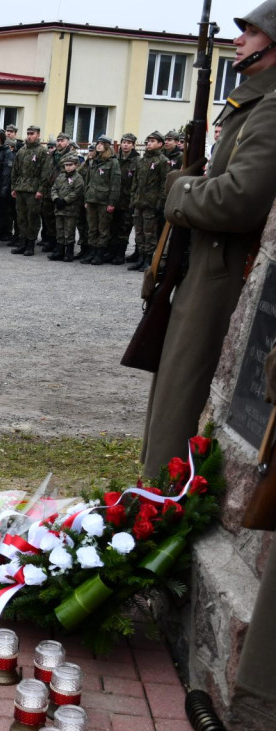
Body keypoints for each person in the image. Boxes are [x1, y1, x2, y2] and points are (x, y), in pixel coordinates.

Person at [141, 1, 276, 475]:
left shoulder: (272, 106)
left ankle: (164, 503)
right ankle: (154, 498)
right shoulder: (252, 101)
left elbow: (238, 199)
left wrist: (180, 189)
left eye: (252, 32)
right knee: (174, 390)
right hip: (205, 267)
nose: (239, 39)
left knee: (184, 395)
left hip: (224, 274)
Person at [128, 131, 168, 272]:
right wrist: (133, 200)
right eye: (148, 141)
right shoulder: (142, 160)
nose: (149, 143)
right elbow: (135, 182)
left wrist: (160, 203)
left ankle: (148, 260)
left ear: (160, 144)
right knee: (139, 233)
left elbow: (164, 184)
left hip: (151, 203)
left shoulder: (162, 161)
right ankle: (141, 258)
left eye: (152, 141)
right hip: (139, 202)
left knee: (149, 233)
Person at [11, 125, 49, 256]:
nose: (29, 136)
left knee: (32, 217)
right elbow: (15, 170)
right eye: (28, 133)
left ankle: (30, 245)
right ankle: (22, 242)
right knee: (21, 217)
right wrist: (14, 187)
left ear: (38, 135)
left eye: (32, 133)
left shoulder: (41, 151)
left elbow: (45, 173)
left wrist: (41, 189)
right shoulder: (21, 151)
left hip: (34, 189)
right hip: (21, 188)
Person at [81, 135, 120, 266]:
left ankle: (99, 254)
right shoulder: (94, 161)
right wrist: (86, 198)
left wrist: (112, 202)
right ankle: (92, 252)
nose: (98, 145)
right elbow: (88, 181)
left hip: (104, 201)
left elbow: (115, 184)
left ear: (107, 146)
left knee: (103, 229)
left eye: (102, 143)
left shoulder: (112, 162)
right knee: (92, 228)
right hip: (92, 199)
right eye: (98, 143)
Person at [48, 153, 84, 262]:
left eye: (70, 165)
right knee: (60, 230)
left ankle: (69, 252)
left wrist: (65, 200)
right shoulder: (61, 176)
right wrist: (56, 198)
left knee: (69, 231)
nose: (68, 167)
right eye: (66, 165)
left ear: (76, 165)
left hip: (71, 210)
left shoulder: (78, 178)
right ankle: (59, 251)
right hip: (59, 208)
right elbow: (54, 188)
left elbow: (76, 192)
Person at [110, 133, 140, 264]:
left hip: (128, 200)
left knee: (124, 228)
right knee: (113, 227)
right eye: (124, 142)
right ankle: (112, 252)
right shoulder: (115, 158)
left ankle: (120, 254)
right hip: (115, 199)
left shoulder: (138, 161)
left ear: (133, 145)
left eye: (129, 143)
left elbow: (138, 182)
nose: (125, 145)